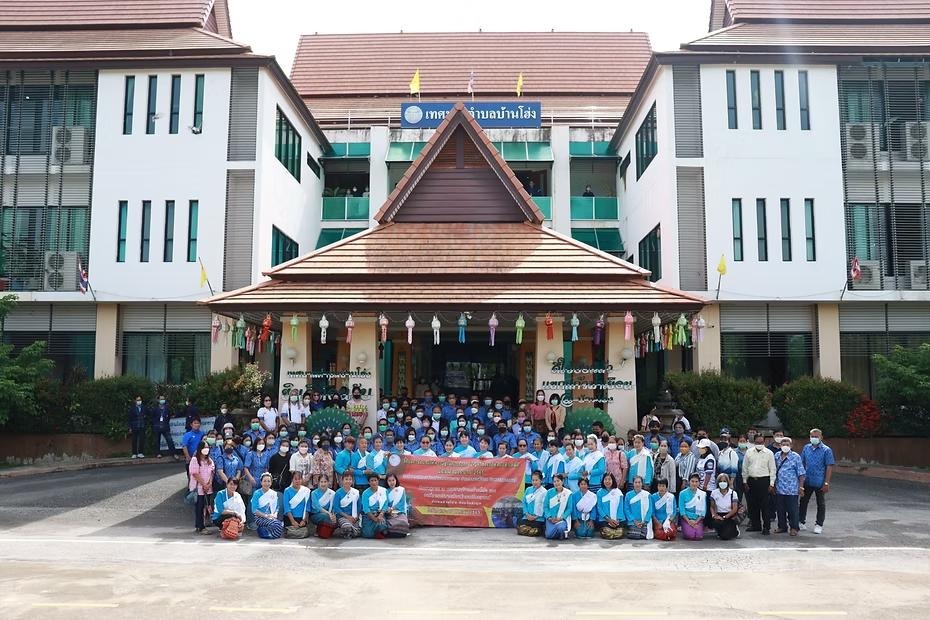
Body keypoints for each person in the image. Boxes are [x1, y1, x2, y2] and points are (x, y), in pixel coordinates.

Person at [800, 428, 834, 535]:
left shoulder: (826, 450)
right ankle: (801, 521)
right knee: (803, 501)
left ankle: (819, 524)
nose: (814, 438)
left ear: (821, 437)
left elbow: (829, 466)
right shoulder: (806, 448)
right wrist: (800, 481)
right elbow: (802, 463)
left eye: (816, 436)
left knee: (821, 503)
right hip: (807, 480)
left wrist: (826, 483)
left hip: (820, 481)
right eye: (812, 436)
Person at [742, 431, 776, 535]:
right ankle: (756, 525)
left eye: (761, 442)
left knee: (765, 506)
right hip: (751, 480)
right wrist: (745, 481)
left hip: (764, 481)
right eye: (757, 442)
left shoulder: (769, 453)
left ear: (764, 442)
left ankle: (766, 527)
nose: (759, 444)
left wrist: (771, 484)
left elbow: (772, 469)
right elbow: (745, 467)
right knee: (752, 505)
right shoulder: (749, 452)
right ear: (754, 442)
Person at [774, 437, 805, 536]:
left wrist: (801, 487)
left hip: (792, 489)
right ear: (780, 446)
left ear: (791, 446)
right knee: (780, 509)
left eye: (787, 445)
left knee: (793, 510)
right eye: (783, 444)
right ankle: (782, 526)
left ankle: (794, 527)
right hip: (779, 488)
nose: (785, 446)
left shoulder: (796, 457)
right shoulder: (777, 456)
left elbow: (801, 473)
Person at [188, 440, 215, 534]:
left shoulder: (209, 460)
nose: (206, 449)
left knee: (206, 507)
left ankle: (203, 525)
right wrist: (204, 484)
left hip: (208, 488)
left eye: (207, 447)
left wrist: (209, 483)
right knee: (199, 508)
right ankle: (200, 526)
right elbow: (195, 474)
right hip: (199, 488)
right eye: (204, 447)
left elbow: (212, 472)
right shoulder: (195, 460)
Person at [252, 472, 284, 539]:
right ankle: (266, 533)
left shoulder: (273, 493)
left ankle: (265, 532)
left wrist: (275, 514)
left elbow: (277, 507)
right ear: (261, 482)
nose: (267, 483)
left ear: (271, 483)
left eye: (269, 481)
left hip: (271, 517)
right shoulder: (257, 493)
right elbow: (254, 510)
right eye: (265, 481)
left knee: (280, 524)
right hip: (260, 517)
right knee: (277, 525)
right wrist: (266, 516)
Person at [709, 473, 740, 540]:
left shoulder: (733, 493)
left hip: (729, 515)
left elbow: (735, 508)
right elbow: (712, 507)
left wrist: (725, 517)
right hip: (719, 515)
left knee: (726, 536)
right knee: (716, 523)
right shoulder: (714, 493)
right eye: (720, 481)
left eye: (724, 481)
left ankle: (735, 530)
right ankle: (719, 531)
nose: (722, 483)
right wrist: (714, 515)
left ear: (728, 482)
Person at [283, 470, 312, 538]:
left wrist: (304, 520)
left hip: (301, 519)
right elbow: (287, 508)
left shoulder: (306, 491)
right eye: (295, 479)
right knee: (290, 531)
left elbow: (307, 508)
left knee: (304, 531)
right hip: (290, 518)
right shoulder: (287, 491)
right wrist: (293, 521)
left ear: (302, 480)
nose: (297, 481)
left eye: (299, 479)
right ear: (292, 480)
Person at [543, 474, 574, 540]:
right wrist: (549, 517)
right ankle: (559, 533)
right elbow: (545, 507)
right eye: (554, 481)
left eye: (558, 481)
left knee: (561, 528)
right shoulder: (549, 492)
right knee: (549, 535)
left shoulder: (568, 493)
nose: (556, 483)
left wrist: (561, 518)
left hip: (562, 519)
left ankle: (561, 532)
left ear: (562, 481)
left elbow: (569, 508)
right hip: (551, 519)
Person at [596, 473, 626, 539]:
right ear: (603, 481)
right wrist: (609, 519)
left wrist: (617, 520)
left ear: (613, 480)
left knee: (620, 532)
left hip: (618, 520)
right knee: (606, 531)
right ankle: (614, 534)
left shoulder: (618, 492)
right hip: (605, 519)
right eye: (605, 479)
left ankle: (612, 534)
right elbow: (599, 508)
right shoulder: (599, 492)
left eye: (609, 479)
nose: (607, 481)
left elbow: (620, 507)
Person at [678, 473, 707, 540]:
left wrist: (696, 521)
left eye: (696, 482)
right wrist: (689, 521)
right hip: (686, 518)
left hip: (698, 519)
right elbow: (682, 510)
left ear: (699, 483)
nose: (694, 483)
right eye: (692, 481)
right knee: (690, 535)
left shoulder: (702, 494)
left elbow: (703, 511)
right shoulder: (682, 493)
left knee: (699, 536)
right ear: (689, 482)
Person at [149, 395, 178, 461]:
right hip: (157, 427)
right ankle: (158, 453)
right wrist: (155, 423)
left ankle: (174, 453)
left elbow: (169, 416)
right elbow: (152, 417)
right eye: (161, 399)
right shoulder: (155, 409)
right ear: (158, 400)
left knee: (169, 440)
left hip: (165, 426)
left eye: (163, 399)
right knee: (157, 441)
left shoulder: (167, 408)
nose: (162, 400)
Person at [333, 471, 361, 538]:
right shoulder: (338, 493)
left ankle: (349, 533)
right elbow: (336, 508)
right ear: (342, 480)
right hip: (342, 517)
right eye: (346, 479)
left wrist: (356, 517)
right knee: (347, 527)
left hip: (354, 517)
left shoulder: (356, 492)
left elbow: (359, 506)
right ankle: (349, 532)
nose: (348, 481)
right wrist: (348, 517)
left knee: (360, 529)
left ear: (352, 481)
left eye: (350, 479)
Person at [624, 475, 653, 539]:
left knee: (644, 533)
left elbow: (650, 509)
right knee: (633, 534)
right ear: (633, 483)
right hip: (633, 521)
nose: (637, 484)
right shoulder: (628, 495)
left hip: (644, 521)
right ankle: (639, 533)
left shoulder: (647, 495)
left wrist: (645, 521)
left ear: (642, 483)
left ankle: (640, 532)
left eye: (639, 482)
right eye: (636, 482)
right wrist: (634, 521)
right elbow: (626, 509)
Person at [518, 471, 546, 537]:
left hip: (538, 519)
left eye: (536, 480)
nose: (534, 482)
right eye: (533, 480)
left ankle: (529, 530)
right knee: (519, 525)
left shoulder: (544, 492)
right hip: (527, 517)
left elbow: (545, 507)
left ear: (541, 480)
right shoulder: (528, 489)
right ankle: (529, 530)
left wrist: (536, 517)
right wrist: (527, 514)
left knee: (535, 529)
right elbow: (524, 502)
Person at [360, 474, 389, 539]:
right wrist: (374, 519)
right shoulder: (365, 493)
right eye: (372, 481)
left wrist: (381, 514)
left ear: (378, 481)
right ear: (368, 482)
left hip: (380, 514)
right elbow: (366, 509)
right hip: (369, 516)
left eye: (375, 480)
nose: (374, 482)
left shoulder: (384, 491)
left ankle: (381, 532)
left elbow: (385, 504)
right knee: (367, 534)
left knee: (382, 525)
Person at [384, 473, 409, 537]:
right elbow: (384, 504)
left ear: (396, 480)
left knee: (403, 521)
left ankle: (401, 533)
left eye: (393, 480)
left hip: (399, 512)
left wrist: (393, 510)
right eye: (389, 481)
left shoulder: (401, 490)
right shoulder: (385, 491)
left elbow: (401, 503)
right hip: (388, 513)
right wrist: (389, 511)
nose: (392, 482)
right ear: (387, 482)